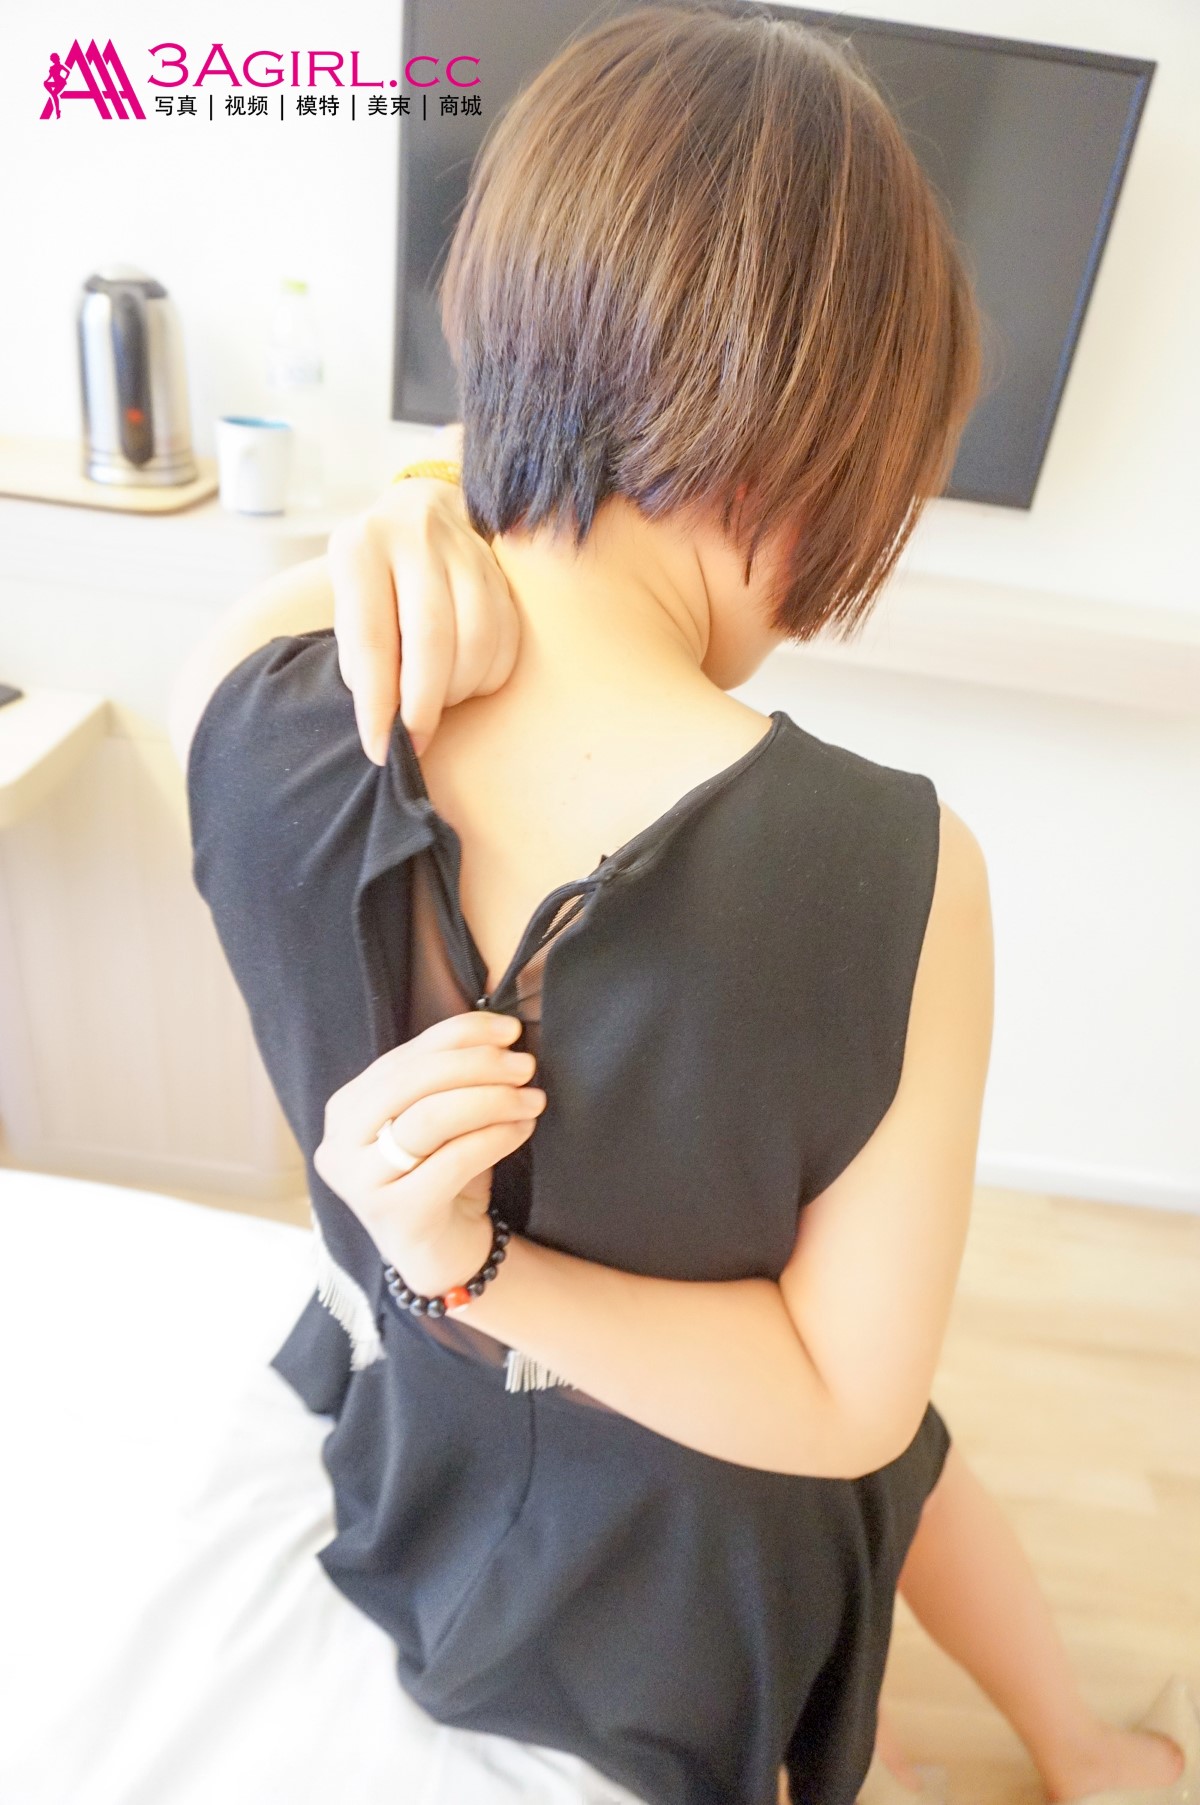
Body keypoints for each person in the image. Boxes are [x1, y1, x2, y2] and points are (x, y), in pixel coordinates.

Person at [168, 8, 1195, 1803]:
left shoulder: (240, 709)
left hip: (412, 1469)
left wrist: (417, 506)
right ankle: (1096, 1755)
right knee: (895, 1434)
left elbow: (263, 624)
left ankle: (1070, 1739)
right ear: (823, 452)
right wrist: (479, 1262)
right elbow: (845, 1401)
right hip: (671, 1602)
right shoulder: (903, 870)